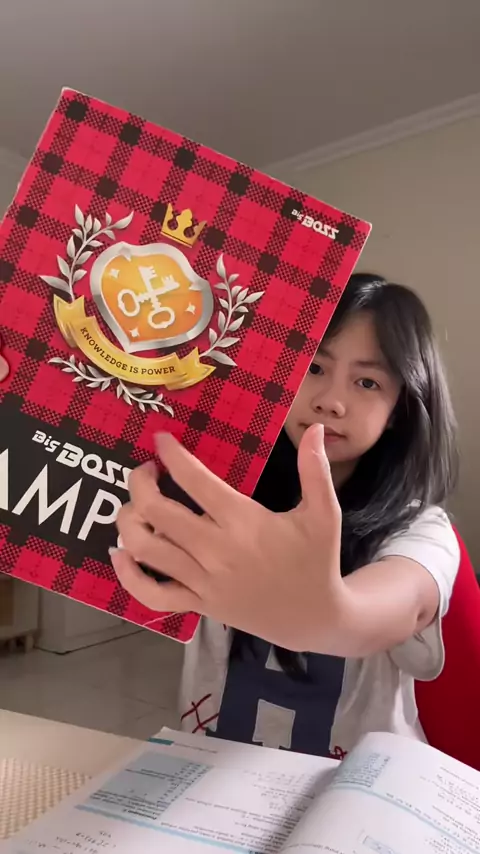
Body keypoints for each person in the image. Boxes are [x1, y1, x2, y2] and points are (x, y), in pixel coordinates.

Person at [110, 273, 460, 758]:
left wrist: (328, 614)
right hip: (211, 780)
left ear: (399, 409)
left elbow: (402, 603)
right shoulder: (221, 499)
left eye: (367, 382)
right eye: (314, 367)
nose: (329, 401)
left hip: (353, 791)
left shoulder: (420, 530)